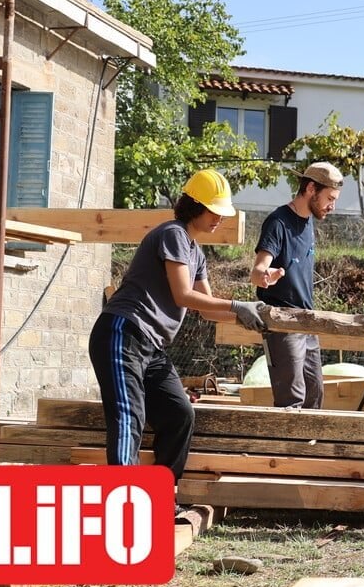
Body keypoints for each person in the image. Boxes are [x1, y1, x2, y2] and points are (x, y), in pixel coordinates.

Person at [89, 170, 267, 493]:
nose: (219, 220)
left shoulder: (196, 252)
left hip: (151, 347)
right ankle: (124, 505)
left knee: (179, 413)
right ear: (195, 205)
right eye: (215, 211)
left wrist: (245, 317)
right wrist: (237, 305)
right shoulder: (172, 234)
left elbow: (206, 307)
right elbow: (183, 295)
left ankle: (160, 494)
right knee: (130, 417)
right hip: (123, 333)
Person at [250, 161, 344, 408]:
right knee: (291, 400)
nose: (332, 206)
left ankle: (309, 448)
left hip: (307, 319)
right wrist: (265, 276)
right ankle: (286, 448)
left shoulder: (309, 222)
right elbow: (258, 270)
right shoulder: (278, 222)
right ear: (311, 188)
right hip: (282, 321)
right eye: (330, 198)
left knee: (315, 395)